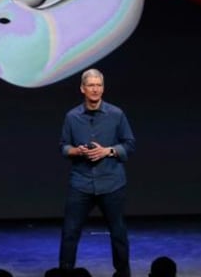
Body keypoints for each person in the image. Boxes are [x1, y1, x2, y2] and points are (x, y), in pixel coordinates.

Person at [57, 67, 136, 277]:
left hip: (111, 182)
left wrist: (107, 151)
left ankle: (122, 273)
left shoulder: (116, 114)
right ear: (82, 88)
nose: (95, 89)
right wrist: (77, 150)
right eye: (91, 85)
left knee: (118, 232)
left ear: (103, 88)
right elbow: (63, 146)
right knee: (70, 232)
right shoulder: (72, 117)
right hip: (81, 183)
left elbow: (129, 145)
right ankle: (65, 272)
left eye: (98, 85)